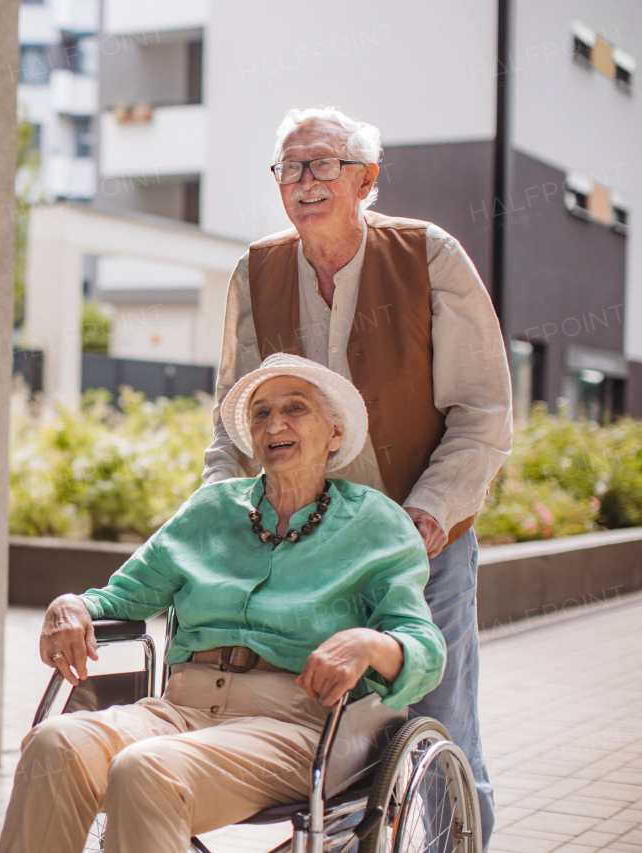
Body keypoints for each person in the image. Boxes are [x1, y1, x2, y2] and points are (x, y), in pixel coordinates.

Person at [202, 106, 512, 849]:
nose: (305, 182)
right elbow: (234, 422)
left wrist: (427, 518)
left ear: (365, 178)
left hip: (422, 539)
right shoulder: (258, 270)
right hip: (311, 550)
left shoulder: (428, 255)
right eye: (291, 168)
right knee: (330, 736)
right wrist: (214, 519)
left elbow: (483, 412)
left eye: (323, 165)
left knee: (444, 728)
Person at [0, 354, 446, 853]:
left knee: (146, 767)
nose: (274, 423)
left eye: (295, 408)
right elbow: (120, 597)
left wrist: (370, 644)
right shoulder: (210, 510)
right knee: (53, 744)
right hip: (179, 709)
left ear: (334, 434)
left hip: (294, 726)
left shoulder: (376, 526)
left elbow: (423, 647)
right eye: (260, 413)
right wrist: (70, 604)